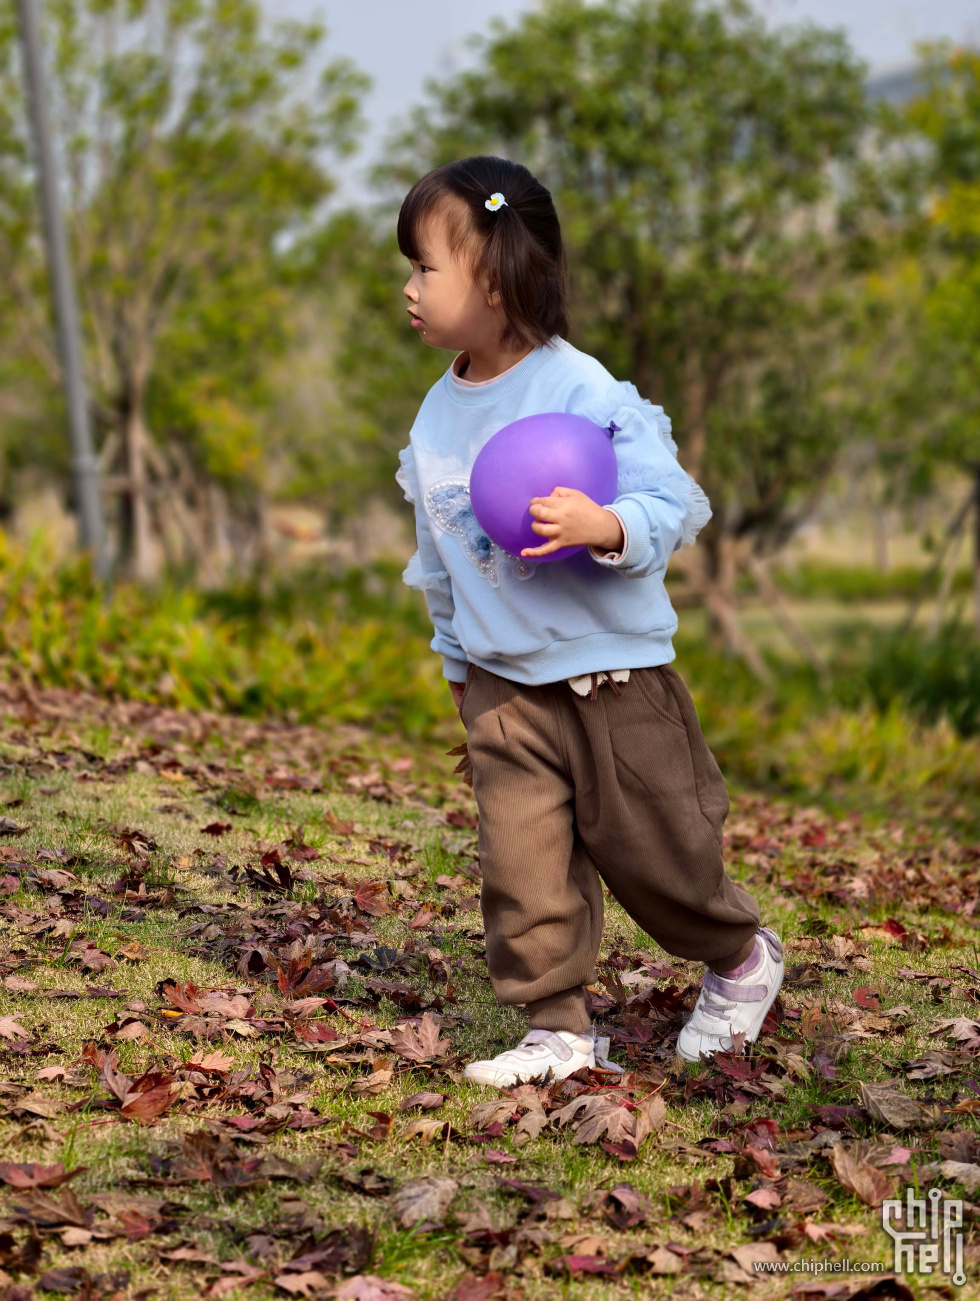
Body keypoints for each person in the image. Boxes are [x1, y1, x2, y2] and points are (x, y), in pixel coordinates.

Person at [394, 155, 783, 1088]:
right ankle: (556, 1026)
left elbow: (667, 502)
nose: (408, 290)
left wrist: (603, 525)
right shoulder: (434, 421)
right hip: (503, 685)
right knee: (521, 865)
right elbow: (440, 552)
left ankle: (737, 956)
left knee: (661, 857)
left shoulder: (583, 391)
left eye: (423, 268)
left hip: (612, 676)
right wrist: (455, 657)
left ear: (492, 276)